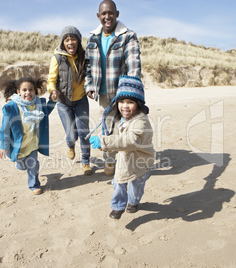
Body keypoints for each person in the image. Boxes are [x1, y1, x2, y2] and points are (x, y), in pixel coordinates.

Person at [85, 0, 142, 176]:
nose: (107, 17)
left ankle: (126, 160)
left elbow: (134, 63)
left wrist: (129, 92)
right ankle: (109, 159)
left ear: (117, 14)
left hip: (122, 93)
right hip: (102, 94)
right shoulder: (93, 38)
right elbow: (87, 66)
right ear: (98, 16)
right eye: (103, 13)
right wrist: (89, 85)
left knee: (126, 126)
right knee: (107, 126)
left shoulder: (128, 36)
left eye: (111, 13)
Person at [89, 75, 155, 219]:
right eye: (121, 101)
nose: (125, 106)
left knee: (136, 187)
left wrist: (104, 141)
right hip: (125, 159)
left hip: (141, 162)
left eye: (130, 102)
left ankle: (133, 202)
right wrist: (106, 149)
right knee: (118, 181)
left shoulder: (141, 122)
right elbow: (117, 138)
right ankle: (118, 206)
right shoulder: (121, 119)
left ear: (138, 104)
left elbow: (129, 141)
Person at [0, 77, 58, 195]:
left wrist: (53, 100)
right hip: (18, 144)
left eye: (31, 89)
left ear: (35, 90)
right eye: (24, 90)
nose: (28, 93)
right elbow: (4, 129)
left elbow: (46, 113)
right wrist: (3, 145)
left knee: (33, 164)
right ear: (18, 91)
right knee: (21, 165)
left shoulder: (38, 103)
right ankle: (19, 164)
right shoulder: (11, 107)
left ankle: (34, 185)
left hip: (32, 142)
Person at [47, 26, 93, 176]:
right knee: (72, 135)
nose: (70, 42)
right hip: (63, 102)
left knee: (84, 132)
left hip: (81, 100)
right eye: (67, 39)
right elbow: (51, 79)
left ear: (78, 42)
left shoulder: (84, 57)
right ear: (63, 42)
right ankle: (70, 144)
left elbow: (91, 75)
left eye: (73, 39)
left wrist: (91, 88)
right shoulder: (57, 58)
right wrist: (52, 90)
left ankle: (86, 162)